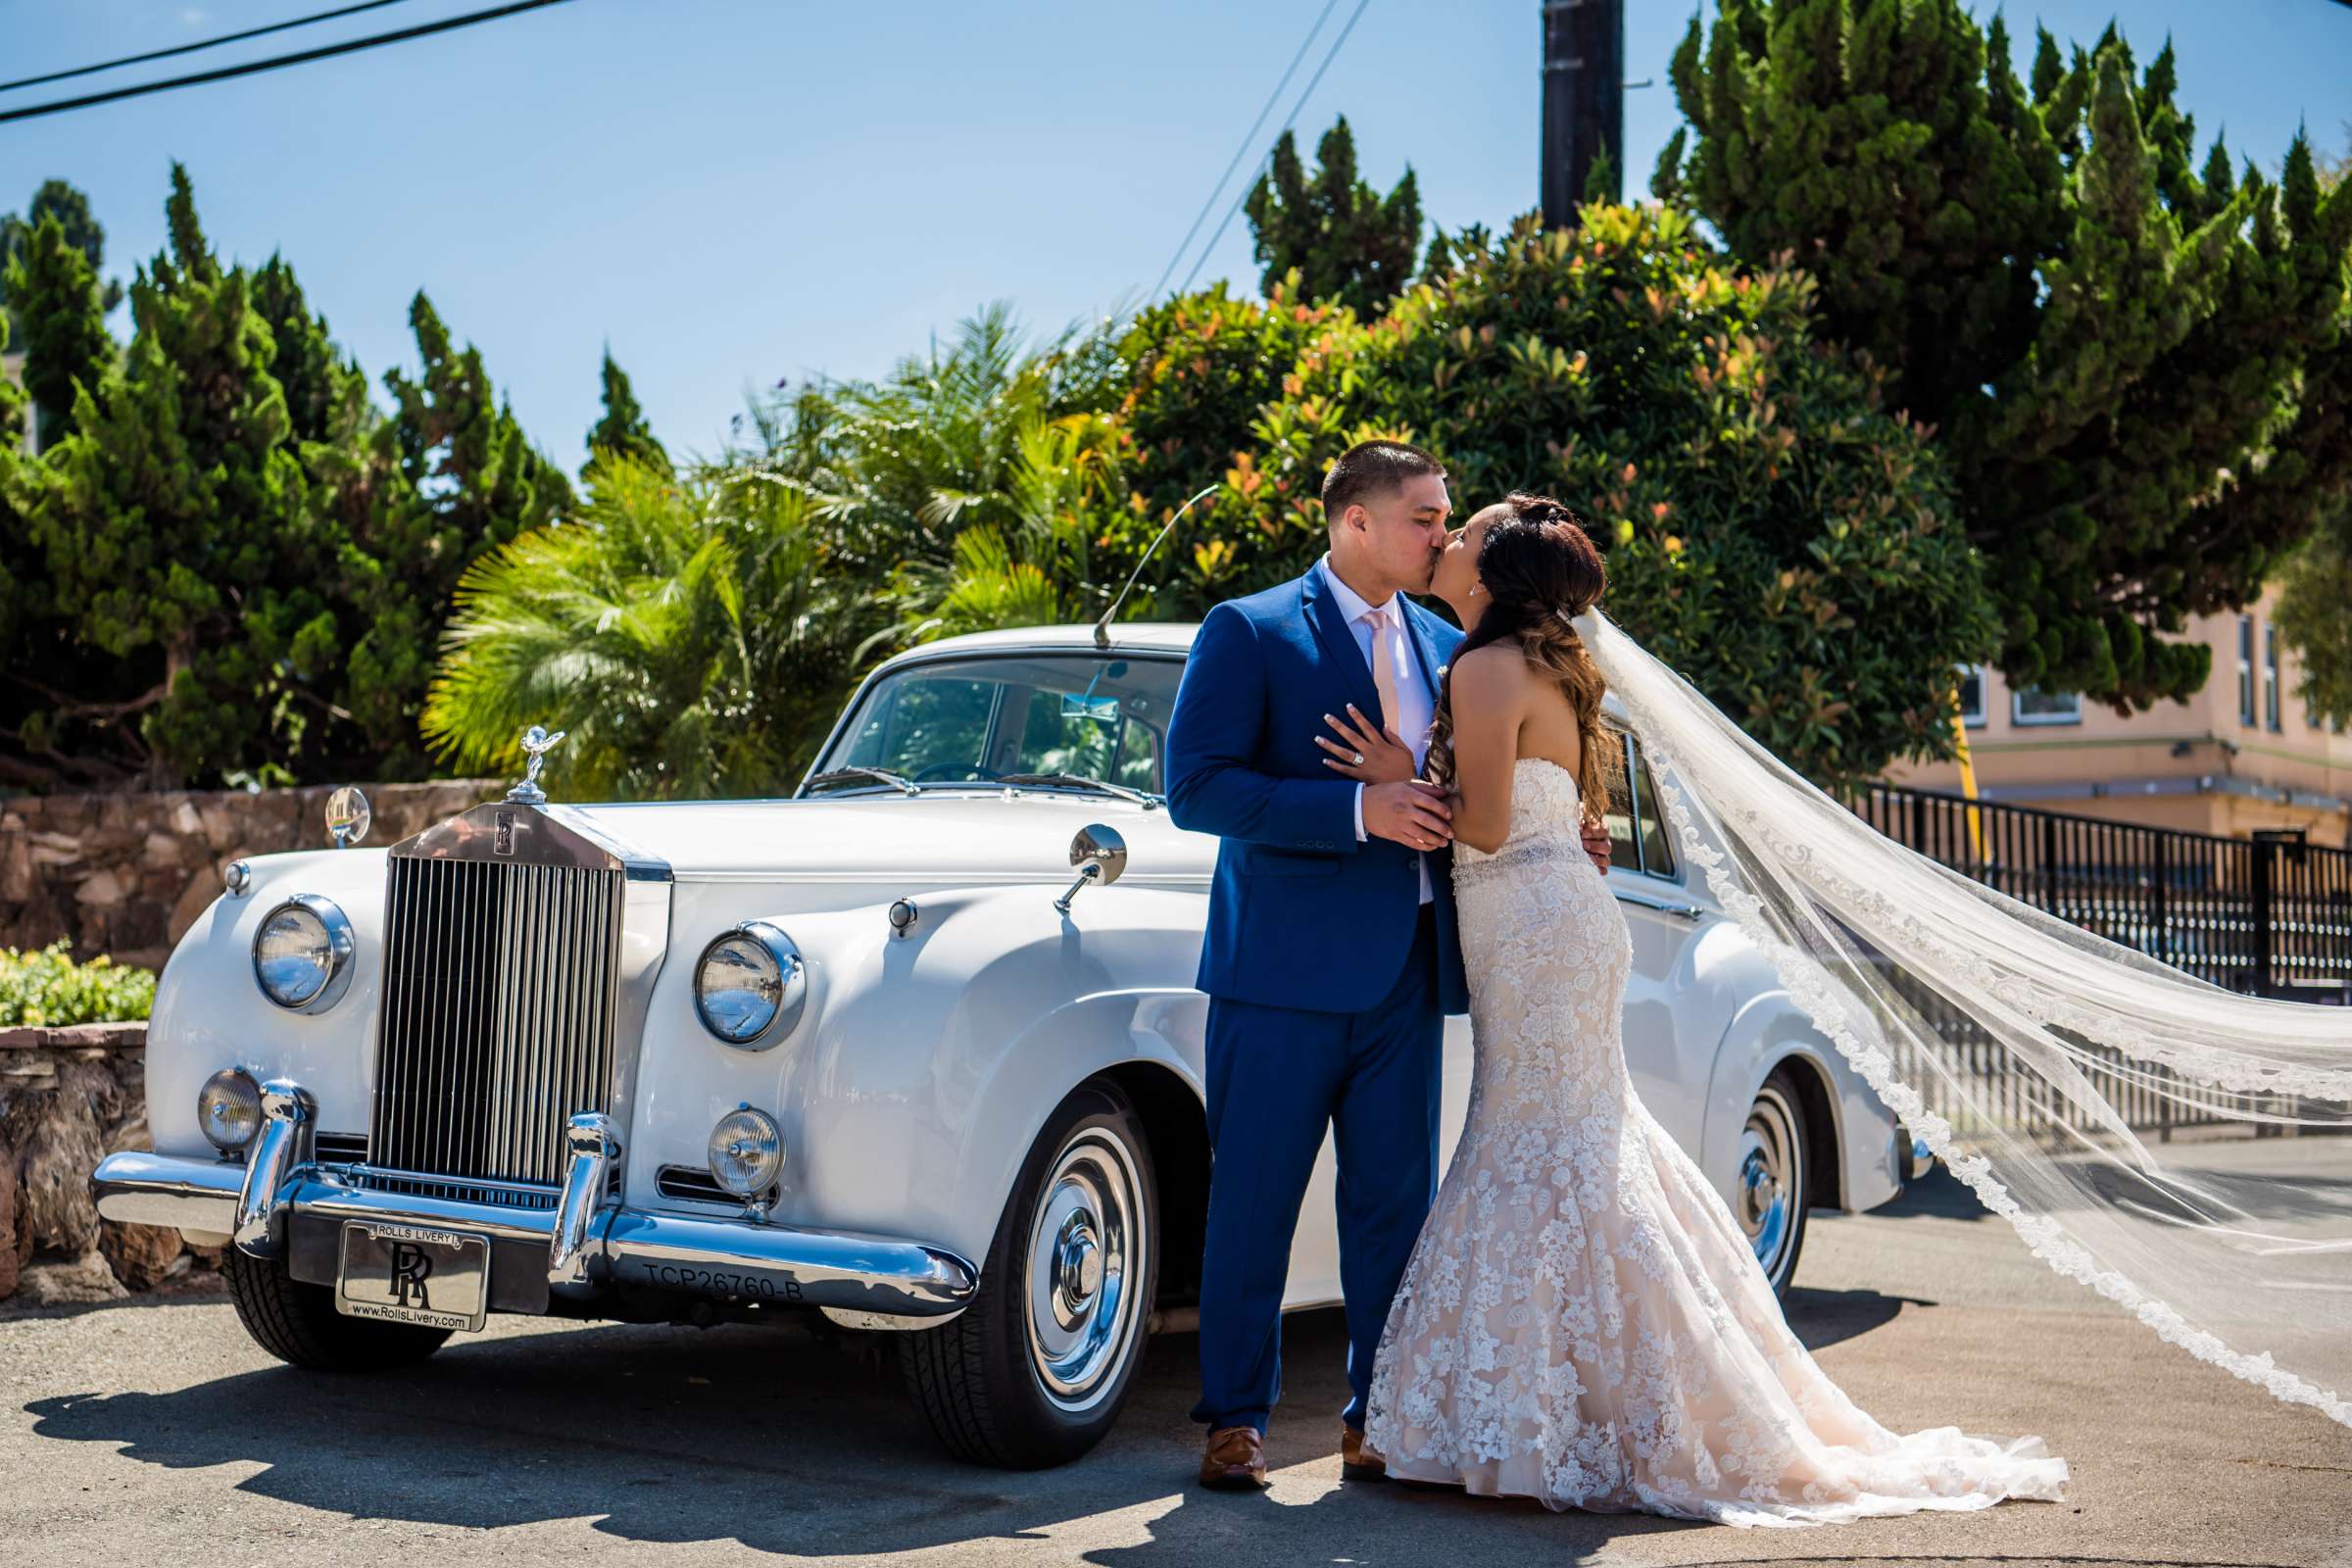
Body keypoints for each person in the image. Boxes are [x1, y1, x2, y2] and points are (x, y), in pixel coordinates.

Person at [1352, 493, 2071, 1526]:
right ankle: (1586, 1404)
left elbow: (1493, 825)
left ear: (1490, 573)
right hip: (1570, 919)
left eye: (1463, 533)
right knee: (1579, 1144)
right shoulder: (1554, 667)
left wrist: (1399, 774)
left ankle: (1539, 1417)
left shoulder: (1480, 667)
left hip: (1528, 922)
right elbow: (1561, 814)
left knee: (1539, 1142)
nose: (1449, 538)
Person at [1163, 443, 1612, 1490]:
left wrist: (1567, 829)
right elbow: (1198, 791)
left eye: (1447, 518)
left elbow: (1499, 779)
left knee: (1393, 1210)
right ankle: (1234, 1419)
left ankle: (1378, 1414)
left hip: (1410, 972)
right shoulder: (1249, 629)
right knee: (1254, 1205)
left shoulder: (1450, 638)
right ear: (1353, 521)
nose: (1442, 536)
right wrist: (1357, 810)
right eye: (1424, 517)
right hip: (1276, 977)